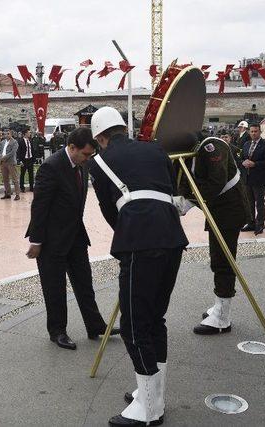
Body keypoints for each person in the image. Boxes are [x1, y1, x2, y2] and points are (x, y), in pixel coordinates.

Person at [88, 107, 187, 427]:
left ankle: (150, 410)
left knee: (133, 325)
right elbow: (171, 191)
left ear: (100, 138)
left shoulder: (99, 161)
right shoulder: (155, 149)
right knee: (155, 319)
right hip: (172, 238)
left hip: (140, 243)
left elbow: (109, 210)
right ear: (122, 128)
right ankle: (152, 393)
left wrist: (129, 230)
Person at [25, 127, 118, 351]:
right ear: (72, 147)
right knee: (55, 288)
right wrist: (36, 241)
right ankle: (57, 331)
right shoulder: (51, 167)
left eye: (90, 155)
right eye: (85, 154)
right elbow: (39, 207)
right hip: (51, 240)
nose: (88, 159)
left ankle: (94, 324)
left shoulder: (82, 165)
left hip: (75, 235)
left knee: (85, 283)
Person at [179, 136, 251, 335]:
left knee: (223, 261)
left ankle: (222, 317)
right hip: (217, 211)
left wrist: (183, 205)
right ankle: (220, 304)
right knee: (217, 258)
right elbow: (185, 184)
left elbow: (215, 182)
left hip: (230, 210)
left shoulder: (212, 146)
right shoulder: (187, 154)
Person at [241, 124, 265, 235]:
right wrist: (243, 162)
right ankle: (251, 223)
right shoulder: (246, 144)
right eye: (252, 131)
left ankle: (260, 224)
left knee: (259, 203)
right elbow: (242, 157)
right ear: (249, 132)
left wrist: (255, 164)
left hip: (259, 178)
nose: (254, 133)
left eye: (256, 131)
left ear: (260, 132)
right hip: (247, 178)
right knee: (249, 203)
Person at [0, 129, 20, 200]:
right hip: (3, 162)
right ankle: (8, 193)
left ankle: (17, 194)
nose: (6, 135)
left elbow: (13, 152)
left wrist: (4, 157)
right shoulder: (3, 142)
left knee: (14, 179)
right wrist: (0, 156)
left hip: (10, 162)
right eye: (5, 134)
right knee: (5, 179)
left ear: (11, 134)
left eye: (8, 134)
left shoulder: (15, 142)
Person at [18, 129, 36, 193]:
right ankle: (22, 187)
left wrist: (34, 159)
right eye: (29, 133)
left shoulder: (30, 141)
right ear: (25, 133)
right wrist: (20, 160)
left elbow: (32, 150)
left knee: (31, 174)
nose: (30, 134)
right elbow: (19, 152)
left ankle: (31, 187)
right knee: (22, 174)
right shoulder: (21, 141)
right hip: (24, 160)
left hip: (30, 159)